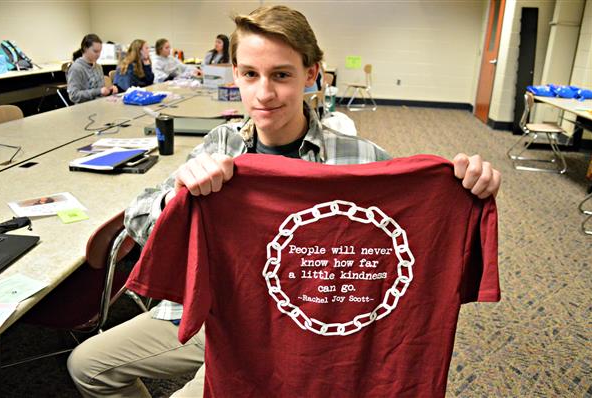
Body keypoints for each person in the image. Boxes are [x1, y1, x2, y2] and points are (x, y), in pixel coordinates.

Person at [67, 5, 501, 397]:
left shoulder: (358, 158)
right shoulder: (221, 147)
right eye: (250, 75)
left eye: (281, 75)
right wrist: (180, 191)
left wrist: (467, 188)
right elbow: (138, 219)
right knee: (86, 365)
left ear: (312, 73)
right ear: (234, 73)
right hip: (217, 313)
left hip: (301, 326)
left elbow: (416, 226)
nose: (264, 94)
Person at [67, 34, 118, 103]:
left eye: (100, 51)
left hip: (100, 104)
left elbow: (101, 90)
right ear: (85, 49)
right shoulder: (76, 69)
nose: (98, 55)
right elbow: (74, 96)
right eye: (95, 51)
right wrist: (98, 91)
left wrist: (109, 90)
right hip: (85, 108)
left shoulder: (98, 67)